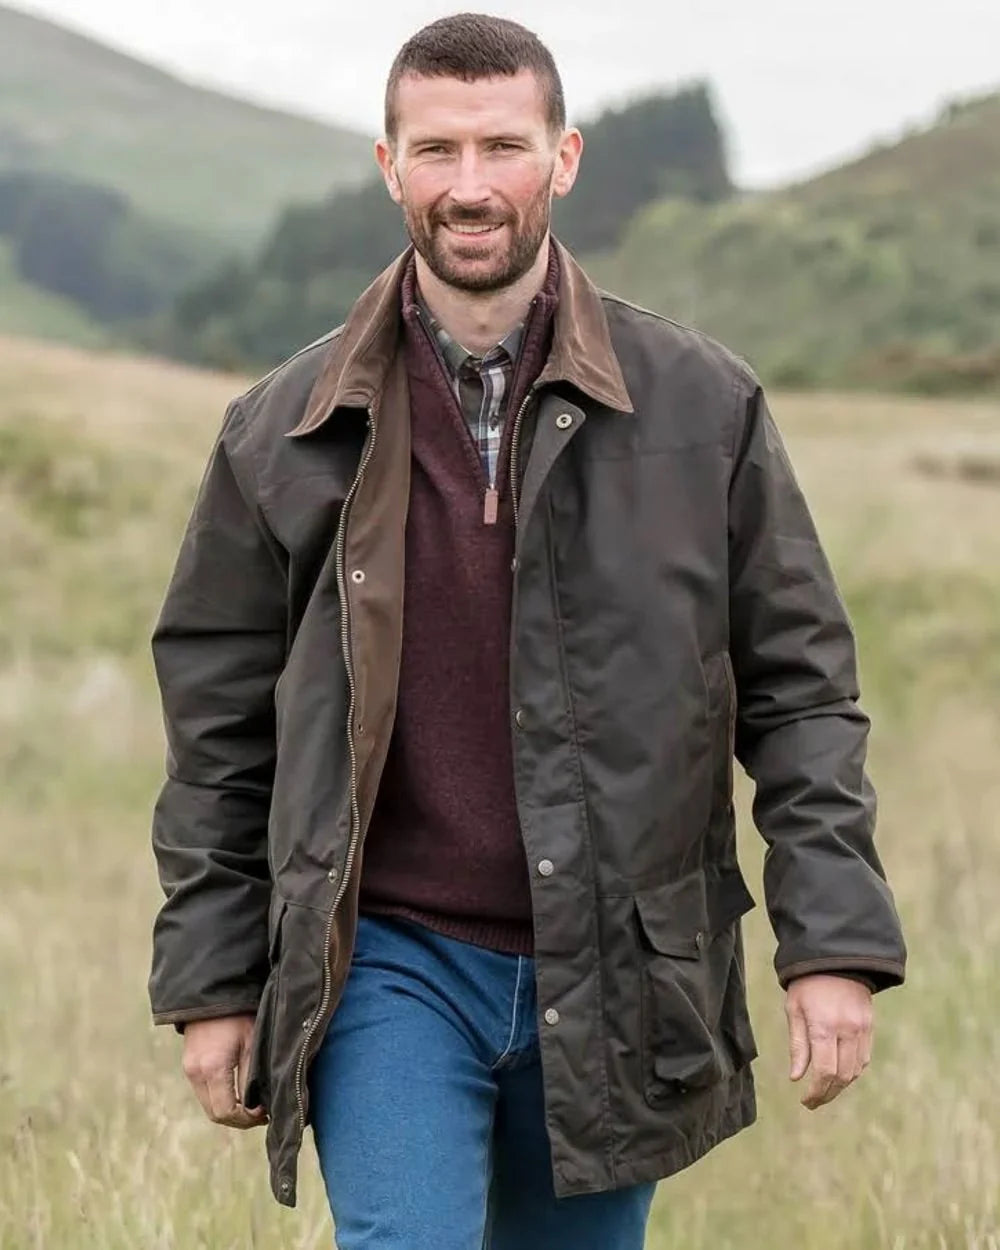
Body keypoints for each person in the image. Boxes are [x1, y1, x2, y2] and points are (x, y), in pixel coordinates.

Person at [148, 13, 906, 1249]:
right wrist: (213, 978)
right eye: (435, 150)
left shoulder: (704, 406)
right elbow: (218, 733)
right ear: (388, 166)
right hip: (387, 962)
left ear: (563, 158)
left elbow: (802, 691)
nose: (469, 184)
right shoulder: (277, 430)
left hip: (620, 969)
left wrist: (833, 941)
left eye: (501, 145)